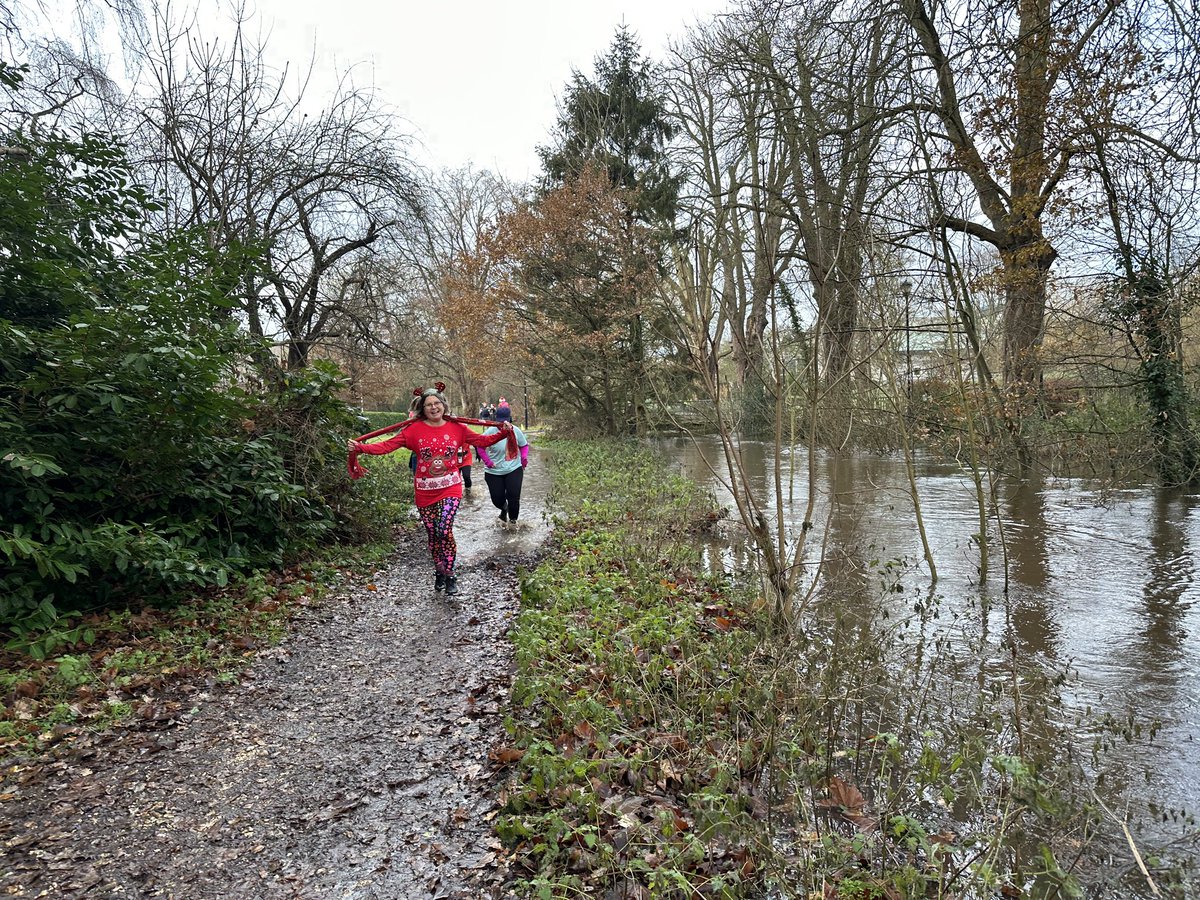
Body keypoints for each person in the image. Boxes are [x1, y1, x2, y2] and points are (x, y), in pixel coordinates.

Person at [347, 383, 516, 596]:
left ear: (443, 405)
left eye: (437, 403)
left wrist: (504, 433)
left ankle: (451, 574)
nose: (434, 408)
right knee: (433, 535)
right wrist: (360, 448)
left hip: (451, 488)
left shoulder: (458, 428)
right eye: (429, 405)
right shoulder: (412, 431)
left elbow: (483, 440)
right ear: (422, 409)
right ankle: (439, 570)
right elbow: (387, 446)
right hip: (425, 492)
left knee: (444, 530)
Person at [477, 421, 529, 526]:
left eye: (506, 421)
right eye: (501, 421)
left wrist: (524, 457)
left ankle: (513, 525)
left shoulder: (515, 430)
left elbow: (524, 446)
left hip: (514, 468)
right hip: (493, 471)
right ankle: (504, 509)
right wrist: (488, 461)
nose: (504, 423)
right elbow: (480, 446)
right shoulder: (491, 431)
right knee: (497, 499)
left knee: (514, 498)